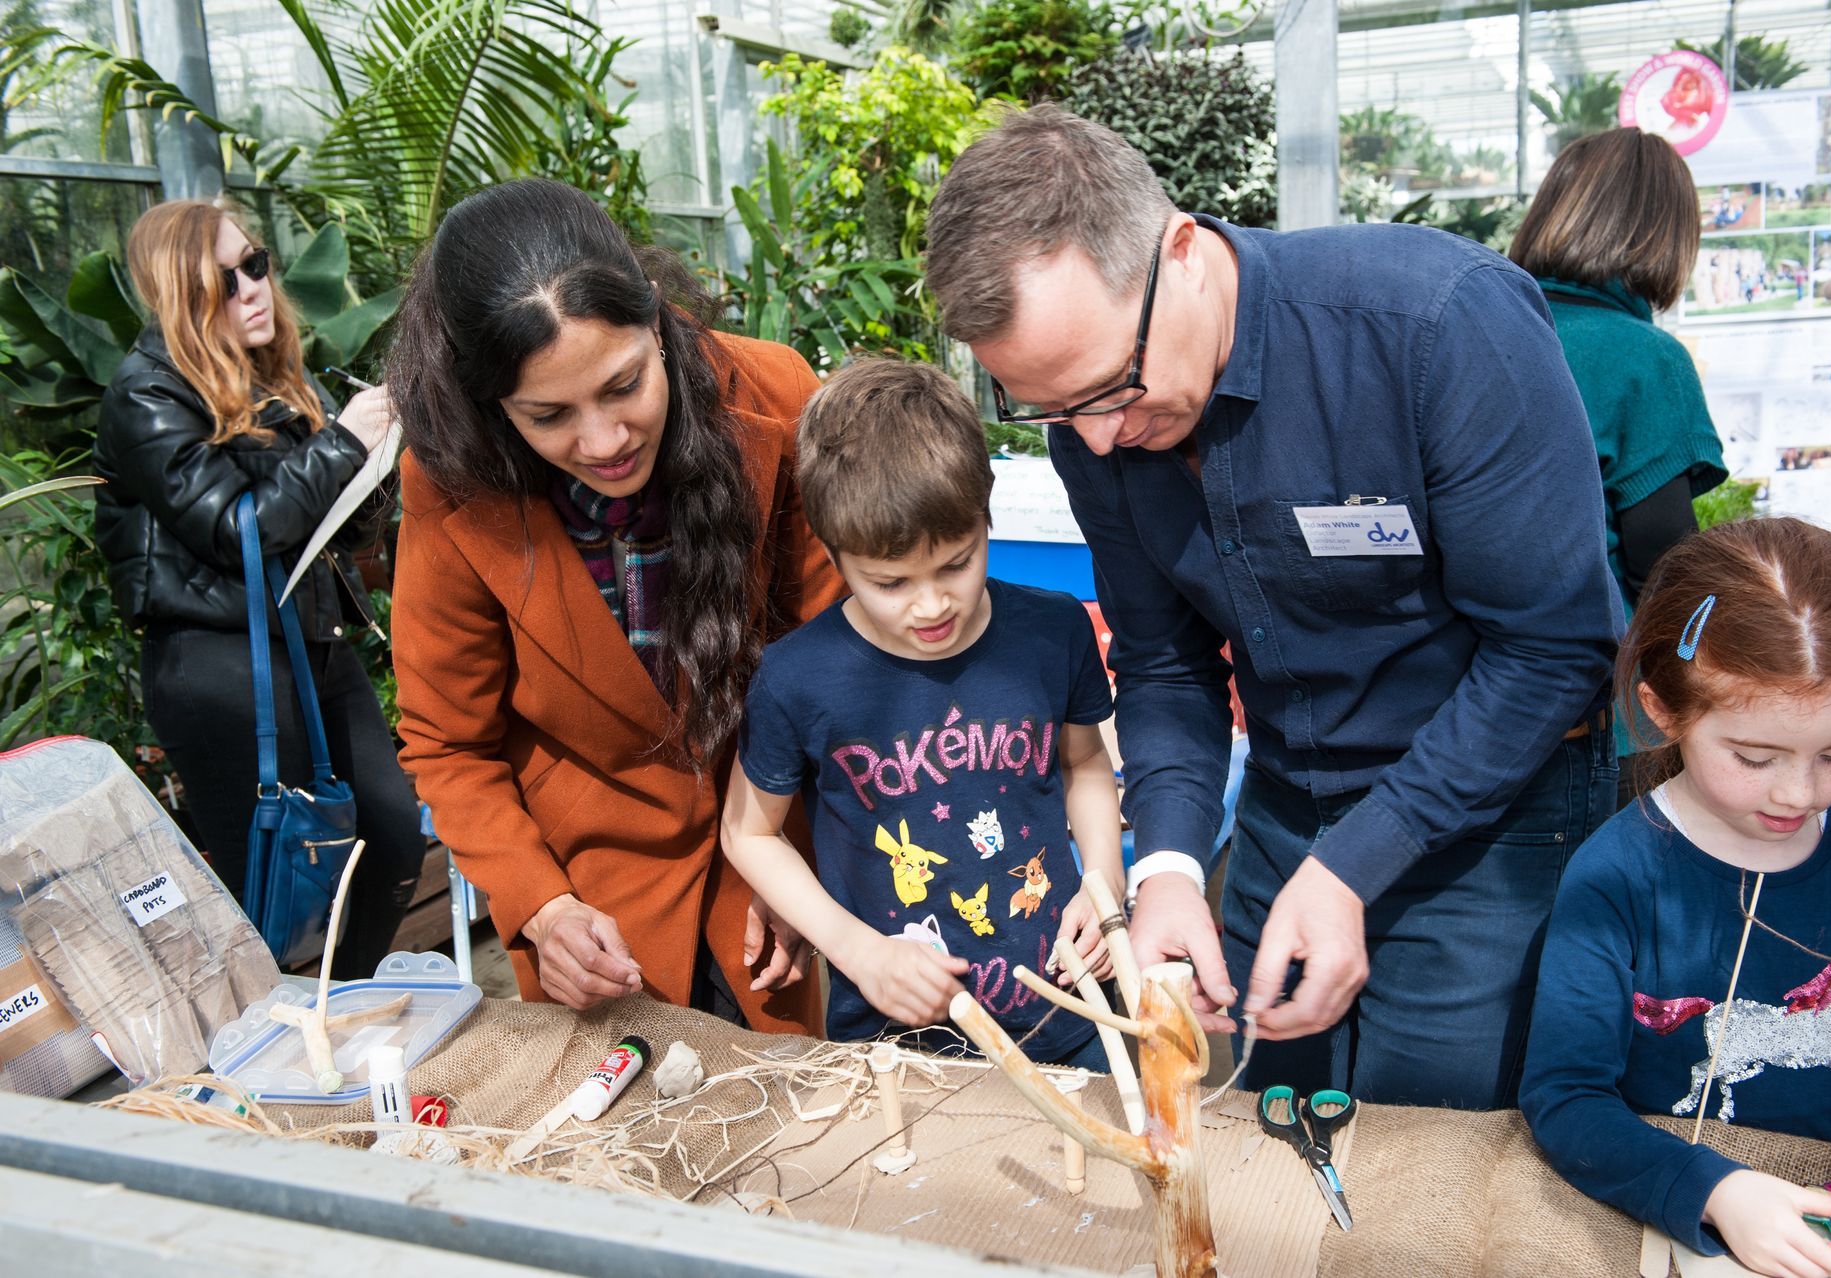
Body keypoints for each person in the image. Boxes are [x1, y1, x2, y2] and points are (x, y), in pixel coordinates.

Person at [923, 105, 1620, 1106]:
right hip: (1285, 806)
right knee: (1257, 1121)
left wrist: (1354, 864)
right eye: (1052, 410)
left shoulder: (1437, 327)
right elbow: (1165, 661)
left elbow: (1554, 649)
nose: (1104, 438)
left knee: (1427, 1153)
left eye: (1115, 385)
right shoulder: (1099, 423)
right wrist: (1165, 863)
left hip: (1488, 817)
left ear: (1183, 253)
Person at [386, 179, 841, 1029]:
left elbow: (828, 658)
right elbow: (448, 742)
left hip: (771, 847)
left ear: (659, 323)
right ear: (491, 409)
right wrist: (543, 908)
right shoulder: (448, 483)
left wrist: (790, 863)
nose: (602, 442)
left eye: (624, 385)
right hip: (591, 903)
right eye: (548, 415)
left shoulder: (772, 397)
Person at [1521, 517, 1831, 1278]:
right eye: (1755, 756)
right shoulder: (1616, 876)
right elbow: (1566, 1097)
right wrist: (1717, 1192)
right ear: (1664, 711)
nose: (1799, 792)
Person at [720, 359, 1123, 1066]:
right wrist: (856, 951)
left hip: (1075, 1011)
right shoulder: (797, 679)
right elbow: (750, 834)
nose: (931, 604)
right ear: (834, 552)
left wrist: (1103, 881)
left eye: (956, 563)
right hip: (902, 1044)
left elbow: (1086, 763)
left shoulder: (1052, 632)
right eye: (890, 582)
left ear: (985, 513)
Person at [94, 199, 425, 979]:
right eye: (224, 276)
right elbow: (240, 530)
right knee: (270, 881)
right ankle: (276, 1045)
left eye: (256, 263)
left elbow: (331, 530)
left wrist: (377, 461)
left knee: (392, 835)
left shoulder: (273, 380)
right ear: (182, 293)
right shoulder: (148, 393)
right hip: (218, 663)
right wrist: (344, 442)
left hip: (308, 642)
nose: (251, 287)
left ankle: (335, 1011)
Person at [1508, 128, 1727, 805]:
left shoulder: (1482, 329)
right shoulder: (1643, 357)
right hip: (1609, 712)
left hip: (1478, 703)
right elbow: (1663, 564)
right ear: (1664, 235)